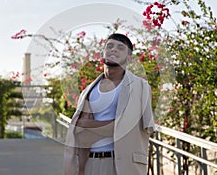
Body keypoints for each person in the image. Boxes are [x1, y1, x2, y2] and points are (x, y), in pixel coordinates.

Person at [64, 33, 155, 175]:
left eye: (120, 48)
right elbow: (81, 130)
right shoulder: (89, 91)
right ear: (103, 53)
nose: (114, 50)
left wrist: (93, 129)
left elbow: (129, 128)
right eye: (110, 46)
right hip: (90, 164)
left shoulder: (140, 87)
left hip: (122, 166)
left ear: (129, 59)